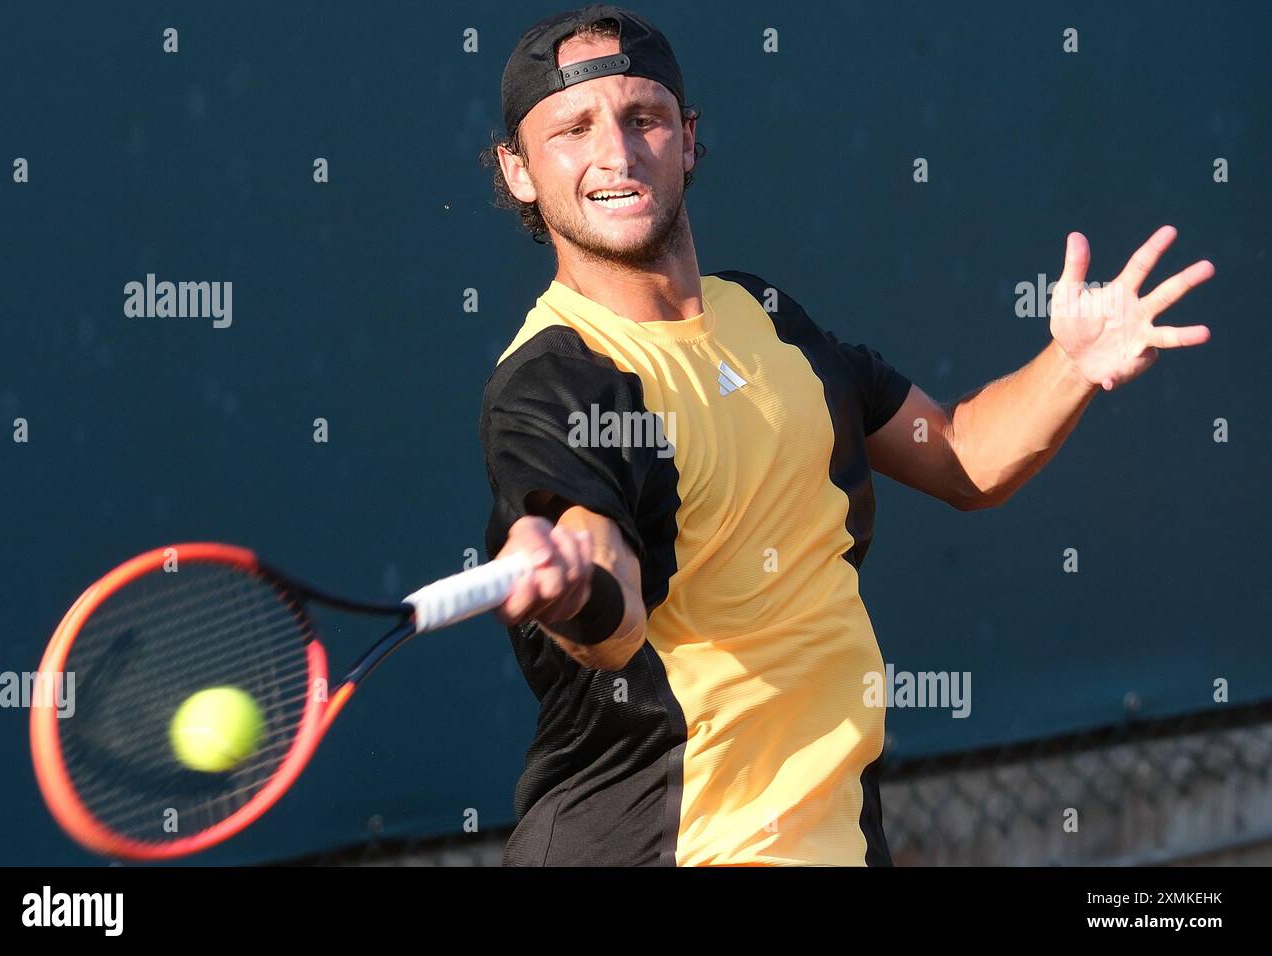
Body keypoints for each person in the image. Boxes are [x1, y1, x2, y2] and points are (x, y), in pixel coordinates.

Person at [477, 4, 1214, 866]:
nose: (617, 151)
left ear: (686, 138)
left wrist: (1073, 362)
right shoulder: (553, 379)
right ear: (519, 170)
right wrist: (574, 583)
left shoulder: (766, 318)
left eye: (643, 117)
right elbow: (611, 614)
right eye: (573, 128)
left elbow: (964, 458)